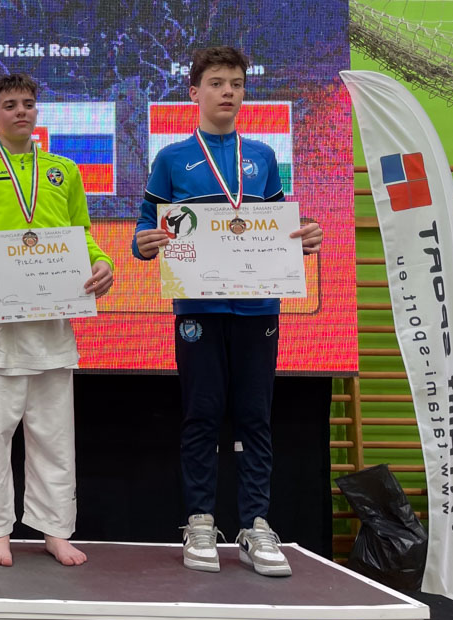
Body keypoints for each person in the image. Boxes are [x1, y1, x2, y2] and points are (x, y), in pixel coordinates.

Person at [132, 46, 323, 577]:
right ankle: (199, 521)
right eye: (217, 83)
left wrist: (305, 239)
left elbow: (281, 225)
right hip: (198, 305)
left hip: (258, 307)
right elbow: (145, 224)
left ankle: (256, 525)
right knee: (202, 414)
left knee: (255, 417)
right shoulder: (172, 159)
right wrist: (142, 244)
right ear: (195, 92)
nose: (228, 92)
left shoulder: (262, 156)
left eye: (236, 84)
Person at [0, 73, 115, 567]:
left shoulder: (63, 171)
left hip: (53, 322)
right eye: (10, 105)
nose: (21, 111)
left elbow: (82, 234)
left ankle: (55, 530)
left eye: (28, 103)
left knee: (54, 434)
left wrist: (102, 262)